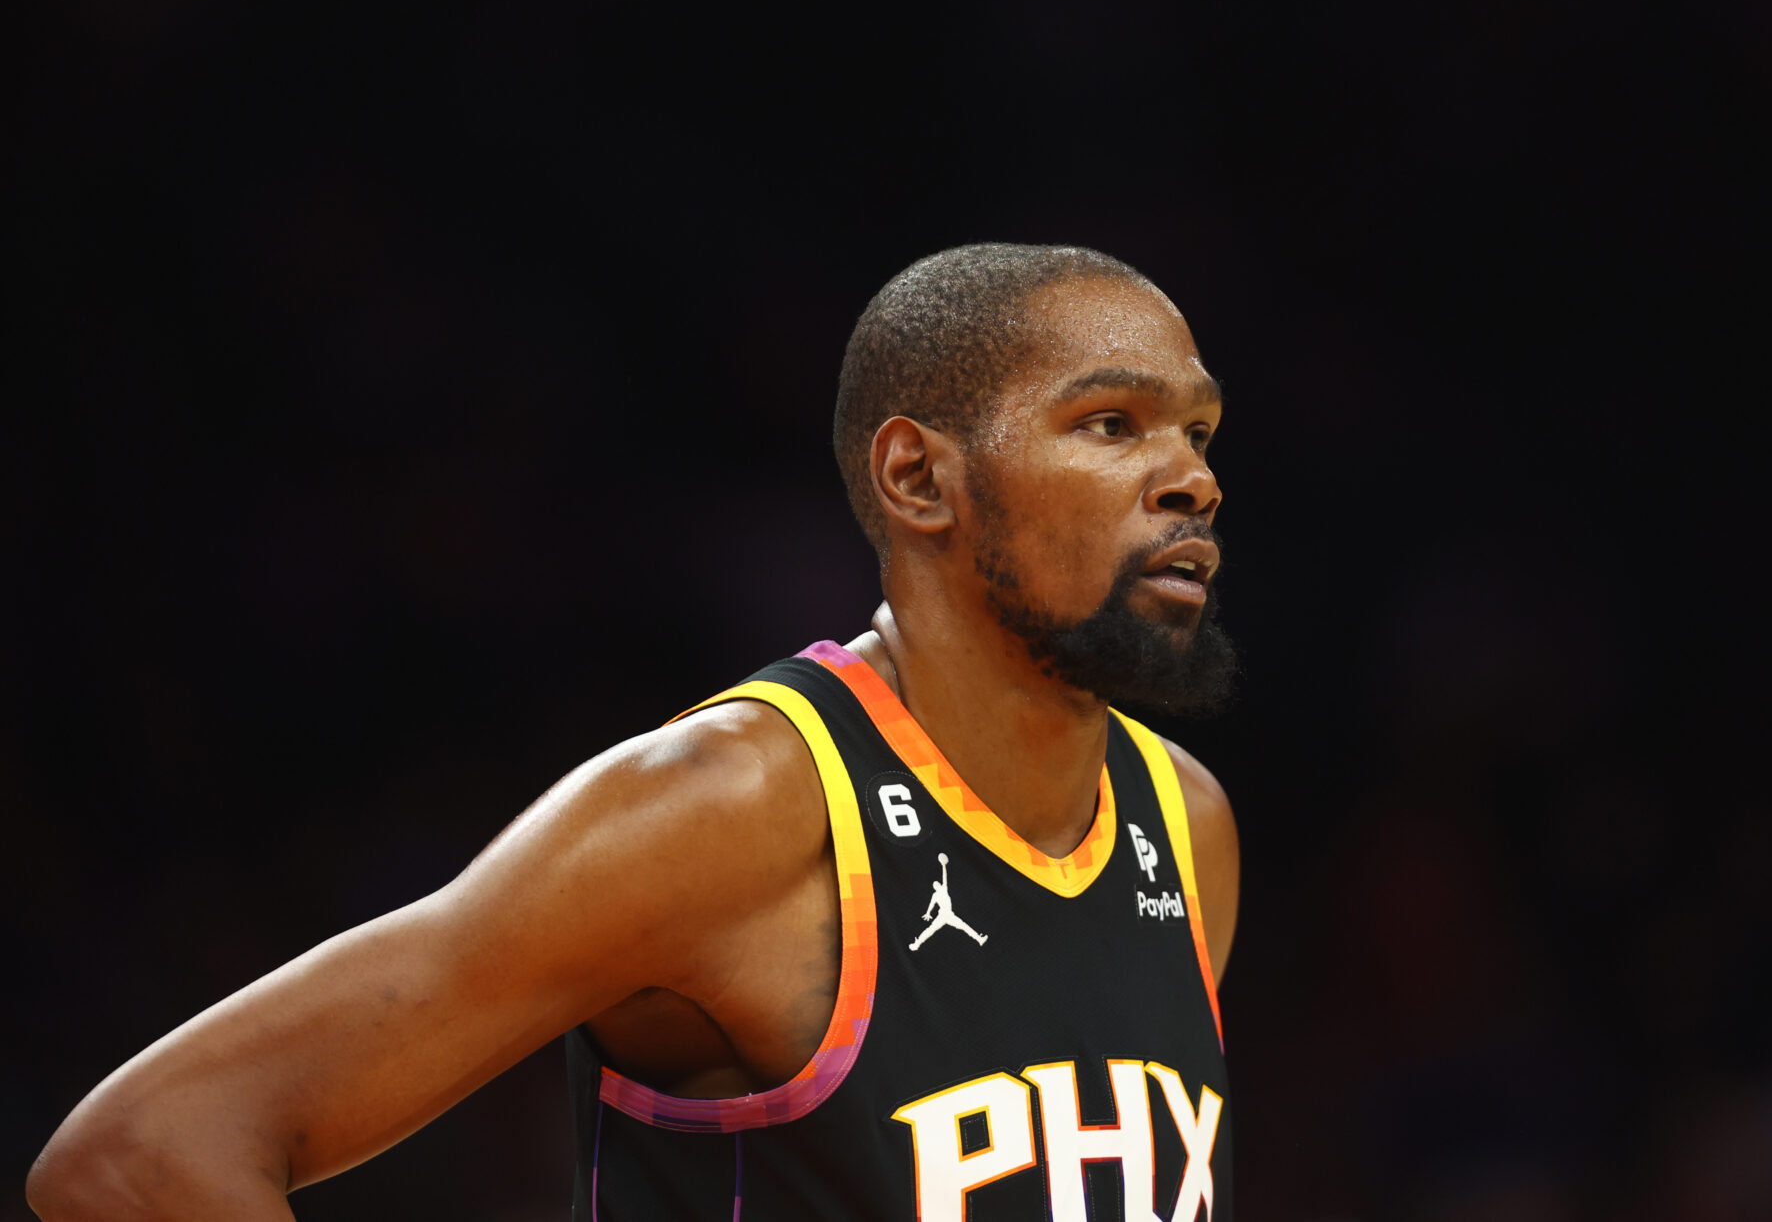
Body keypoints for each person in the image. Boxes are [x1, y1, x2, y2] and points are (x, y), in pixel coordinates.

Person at [27, 243, 1241, 1221]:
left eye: (1197, 430)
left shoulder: (1183, 826)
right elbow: (142, 1154)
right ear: (919, 479)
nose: (1191, 476)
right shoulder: (730, 805)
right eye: (1110, 423)